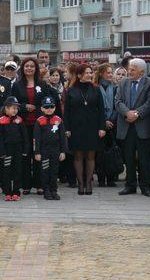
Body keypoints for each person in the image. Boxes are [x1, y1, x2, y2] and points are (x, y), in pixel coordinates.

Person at [12, 57, 60, 195]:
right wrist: (23, 106)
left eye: (32, 66)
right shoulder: (17, 85)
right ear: (22, 68)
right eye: (26, 66)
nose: (29, 68)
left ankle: (40, 184)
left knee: (39, 154)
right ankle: (26, 184)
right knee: (26, 154)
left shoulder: (42, 84)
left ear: (36, 68)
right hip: (24, 124)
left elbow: (48, 102)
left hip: (40, 125)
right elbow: (12, 103)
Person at [64, 63, 106, 195]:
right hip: (76, 127)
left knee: (90, 156)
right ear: (79, 75)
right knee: (78, 156)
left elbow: (101, 111)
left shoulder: (96, 89)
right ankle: (80, 183)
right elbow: (67, 112)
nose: (90, 75)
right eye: (87, 73)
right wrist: (67, 128)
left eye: (91, 72)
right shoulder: (71, 90)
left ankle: (89, 183)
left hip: (92, 127)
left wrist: (102, 127)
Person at [115, 58, 150, 197]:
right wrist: (127, 113)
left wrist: (137, 113)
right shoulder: (123, 82)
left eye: (133, 69)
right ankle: (130, 185)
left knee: (144, 158)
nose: (129, 71)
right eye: (129, 68)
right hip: (126, 126)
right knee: (129, 158)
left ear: (142, 71)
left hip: (143, 126)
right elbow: (118, 101)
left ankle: (145, 186)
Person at [34, 95, 67, 200]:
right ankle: (46, 190)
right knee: (45, 171)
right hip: (44, 151)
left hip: (55, 150)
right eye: (46, 107)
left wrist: (63, 151)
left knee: (54, 171)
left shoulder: (58, 120)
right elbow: (36, 139)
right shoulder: (39, 121)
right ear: (42, 108)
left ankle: (54, 190)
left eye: (51, 107)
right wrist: (37, 152)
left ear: (55, 108)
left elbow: (63, 137)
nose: (49, 109)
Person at [0, 96, 28, 201]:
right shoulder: (1, 121)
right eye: (12, 108)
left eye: (16, 108)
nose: (15, 110)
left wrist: (25, 150)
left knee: (18, 170)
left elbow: (25, 137)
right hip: (7, 150)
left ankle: (16, 192)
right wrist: (1, 151)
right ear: (6, 108)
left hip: (18, 149)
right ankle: (7, 191)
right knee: (7, 171)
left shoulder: (20, 120)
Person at [95, 63, 118, 187]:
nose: (110, 75)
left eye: (111, 72)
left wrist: (111, 120)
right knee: (100, 153)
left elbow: (117, 105)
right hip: (99, 125)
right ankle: (101, 178)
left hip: (112, 124)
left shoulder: (114, 87)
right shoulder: (95, 88)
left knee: (112, 151)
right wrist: (103, 121)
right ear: (101, 73)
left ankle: (111, 177)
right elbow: (95, 108)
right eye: (108, 72)